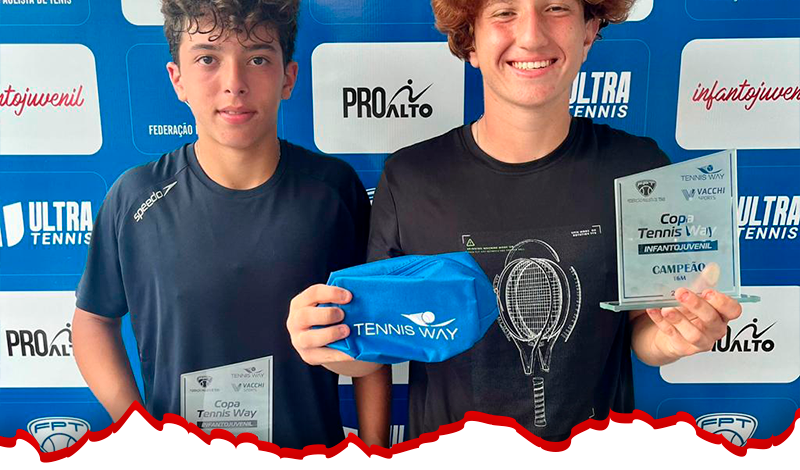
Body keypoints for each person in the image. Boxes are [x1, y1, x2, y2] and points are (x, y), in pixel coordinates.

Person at [287, 0, 742, 443]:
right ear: (470, 41)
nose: (531, 35)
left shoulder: (639, 169)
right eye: (505, 12)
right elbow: (373, 348)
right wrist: (327, 341)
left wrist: (673, 339)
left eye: (556, 8)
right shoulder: (410, 178)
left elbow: (646, 327)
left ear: (588, 31)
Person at [72, 0, 387, 448]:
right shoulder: (135, 198)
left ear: (288, 78)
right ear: (177, 79)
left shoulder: (335, 191)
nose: (234, 84)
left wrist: (374, 454)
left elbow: (373, 339)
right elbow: (92, 321)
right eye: (208, 59)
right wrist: (136, 427)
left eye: (257, 59)